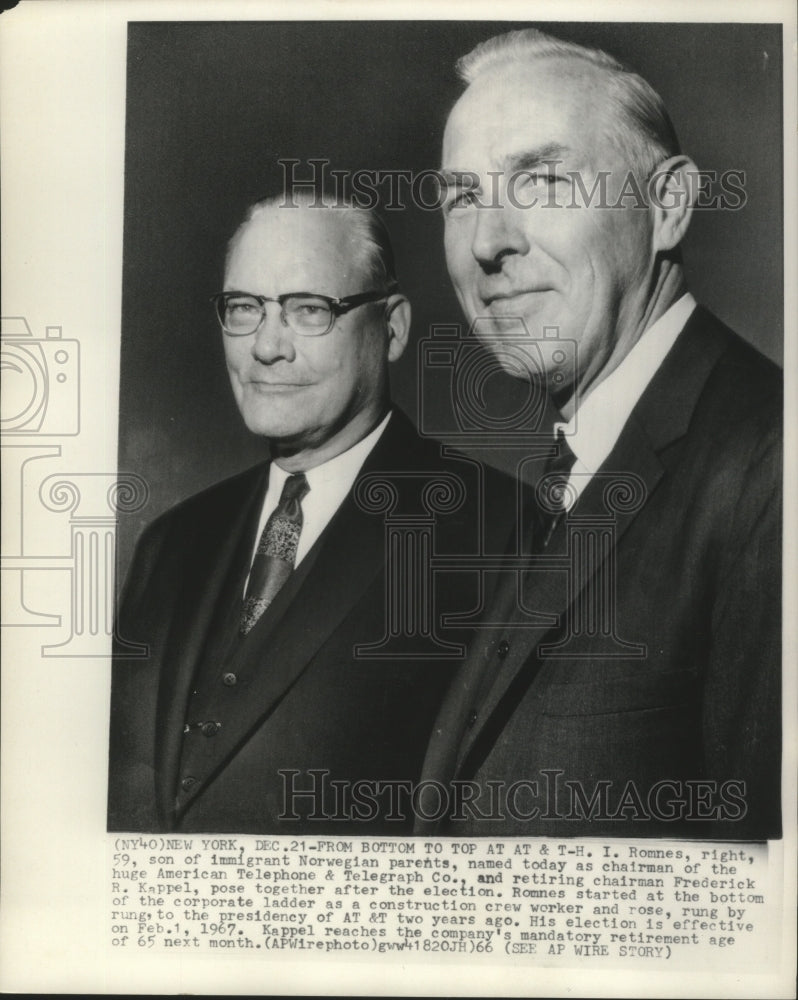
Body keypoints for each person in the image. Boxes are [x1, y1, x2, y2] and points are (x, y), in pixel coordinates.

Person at [417, 28, 782, 839]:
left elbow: (766, 896)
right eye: (462, 198)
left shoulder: (770, 467)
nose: (487, 242)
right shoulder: (569, 468)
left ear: (668, 206)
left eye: (542, 181)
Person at [108, 194, 515, 834]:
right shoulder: (171, 542)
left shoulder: (498, 533)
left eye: (308, 310)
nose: (267, 347)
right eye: (244, 308)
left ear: (393, 328)